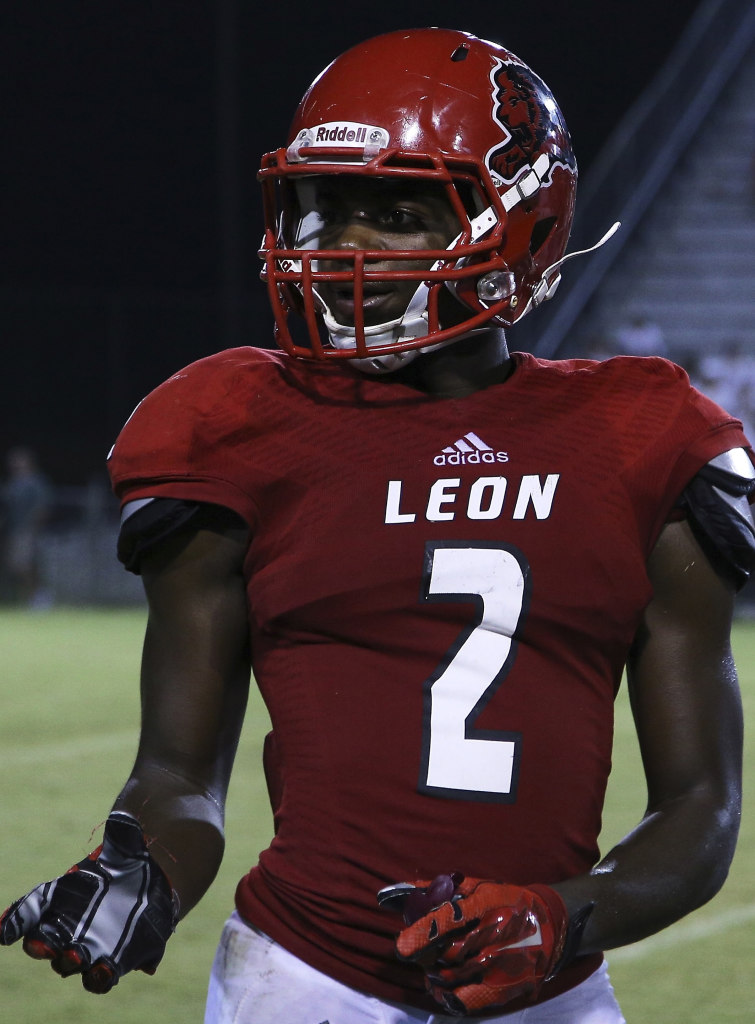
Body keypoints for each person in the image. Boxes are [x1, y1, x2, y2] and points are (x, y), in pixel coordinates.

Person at [2, 27, 754, 1024]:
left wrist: (567, 916)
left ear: (519, 224)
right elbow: (179, 777)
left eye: (396, 212)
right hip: (305, 976)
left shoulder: (640, 434)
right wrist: (143, 867)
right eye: (329, 208)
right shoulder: (238, 427)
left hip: (552, 988)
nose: (346, 245)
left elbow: (699, 805)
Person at [0, 446, 52, 606]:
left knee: (25, 565)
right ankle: (29, 598)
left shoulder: (36, 482)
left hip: (28, 530)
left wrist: (33, 528)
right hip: (13, 530)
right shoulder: (12, 483)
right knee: (15, 565)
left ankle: (39, 596)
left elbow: (43, 506)